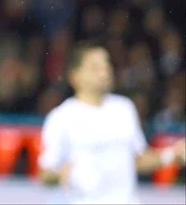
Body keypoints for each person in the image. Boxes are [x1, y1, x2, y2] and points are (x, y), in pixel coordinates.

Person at [38, 41, 186, 204]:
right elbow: (45, 173)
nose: (104, 72)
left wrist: (173, 155)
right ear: (75, 76)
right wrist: (58, 176)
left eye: (106, 65)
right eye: (95, 67)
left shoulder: (124, 108)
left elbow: (136, 160)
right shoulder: (62, 117)